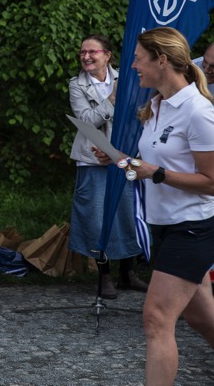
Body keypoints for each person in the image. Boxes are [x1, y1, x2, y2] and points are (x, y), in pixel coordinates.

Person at [95, 27, 214, 385]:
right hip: (162, 225)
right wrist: (121, 160)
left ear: (162, 60)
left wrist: (155, 172)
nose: (132, 66)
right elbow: (150, 167)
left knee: (156, 319)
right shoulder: (157, 106)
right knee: (201, 318)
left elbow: (210, 182)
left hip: (192, 228)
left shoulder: (198, 111)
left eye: (137, 59)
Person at [68, 34, 147, 299]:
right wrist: (112, 99)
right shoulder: (77, 84)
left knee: (127, 214)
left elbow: (140, 115)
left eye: (92, 52)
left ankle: (128, 273)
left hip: (125, 158)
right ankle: (104, 275)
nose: (86, 57)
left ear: (107, 55)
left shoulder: (128, 77)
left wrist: (120, 153)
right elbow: (86, 120)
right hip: (93, 159)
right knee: (96, 217)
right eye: (83, 52)